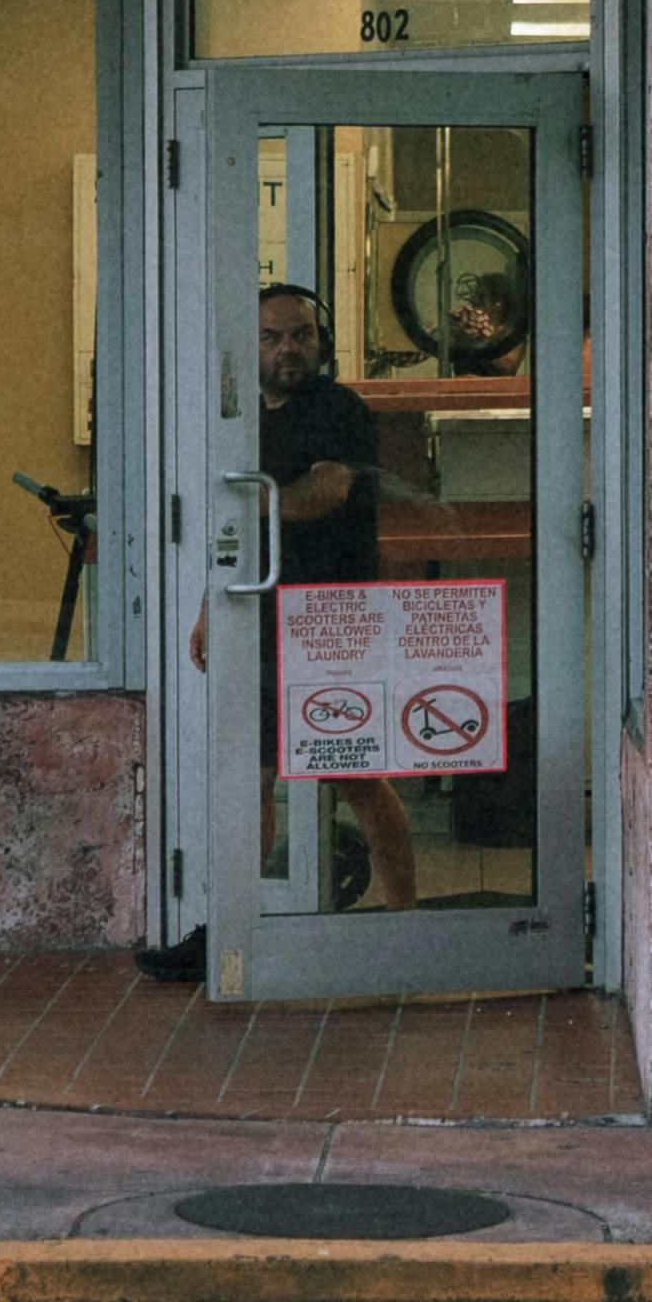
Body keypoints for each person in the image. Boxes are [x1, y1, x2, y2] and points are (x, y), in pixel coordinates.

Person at [253, 284, 414, 909]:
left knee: (355, 775)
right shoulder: (239, 415)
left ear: (322, 342)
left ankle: (407, 917)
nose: (288, 349)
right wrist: (213, 608)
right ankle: (234, 927)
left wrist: (249, 502)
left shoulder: (339, 409)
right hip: (258, 609)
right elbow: (228, 541)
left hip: (332, 615)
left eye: (301, 335)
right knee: (256, 773)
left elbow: (326, 492)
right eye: (272, 337)